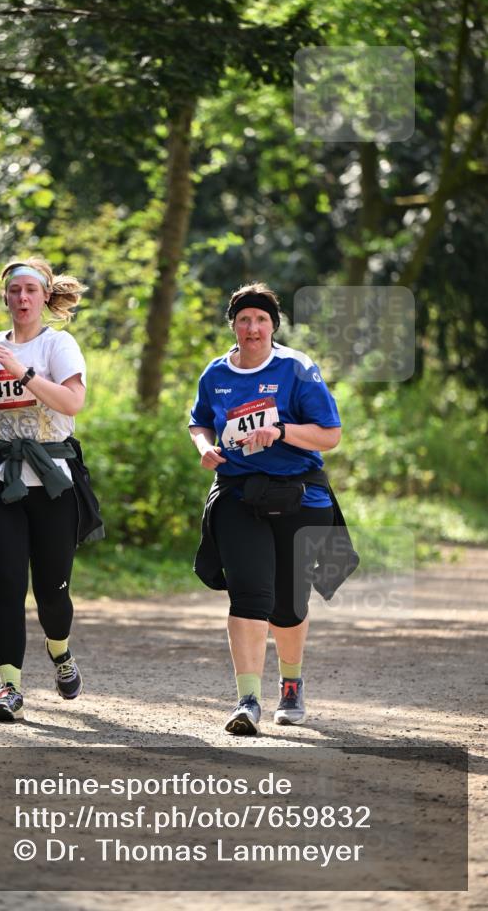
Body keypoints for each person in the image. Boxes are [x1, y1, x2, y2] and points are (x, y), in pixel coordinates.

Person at [0, 257, 104, 723]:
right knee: (8, 589)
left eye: (31, 291)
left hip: (52, 482)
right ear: (6, 297)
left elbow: (74, 402)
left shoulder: (58, 344)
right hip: (3, 481)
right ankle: (9, 686)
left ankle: (61, 654)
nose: (22, 299)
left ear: (44, 297)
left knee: (52, 594)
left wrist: (25, 374)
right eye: (14, 291)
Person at [189, 282, 342, 735]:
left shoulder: (297, 369)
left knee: (289, 604)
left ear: (273, 326)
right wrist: (203, 446)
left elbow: (329, 435)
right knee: (250, 594)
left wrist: (281, 432)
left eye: (261, 320)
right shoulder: (215, 373)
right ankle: (247, 699)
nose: (252, 328)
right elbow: (199, 421)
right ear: (233, 326)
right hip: (239, 495)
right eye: (244, 320)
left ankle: (290, 685)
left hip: (300, 497)